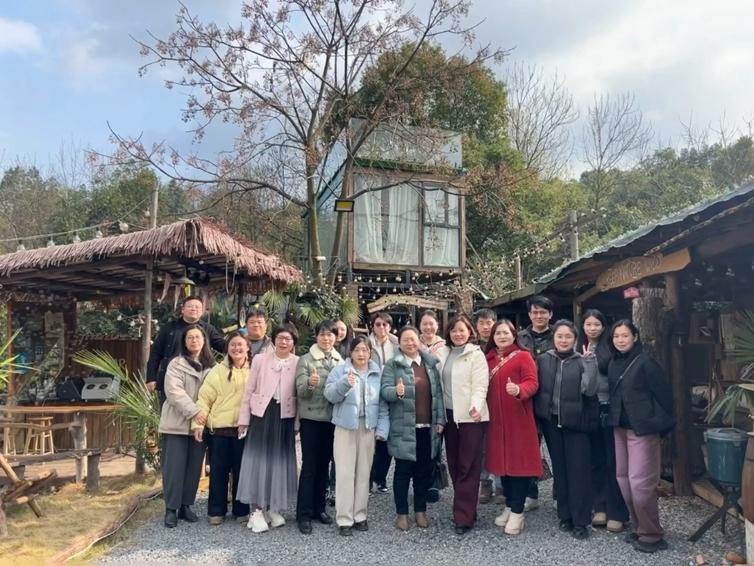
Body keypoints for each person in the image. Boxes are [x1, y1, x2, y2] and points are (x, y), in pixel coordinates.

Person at [607, 320, 674, 554]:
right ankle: (639, 527)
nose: (620, 340)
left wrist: (660, 426)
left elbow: (665, 396)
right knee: (623, 479)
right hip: (620, 428)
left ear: (635, 337)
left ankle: (652, 534)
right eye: (616, 336)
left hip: (643, 430)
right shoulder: (614, 363)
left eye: (625, 335)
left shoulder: (646, 362)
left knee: (640, 484)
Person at [534, 319, 599, 540]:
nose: (563, 340)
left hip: (576, 423)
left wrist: (590, 364)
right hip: (551, 422)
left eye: (568, 336)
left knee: (578, 471)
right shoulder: (544, 359)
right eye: (559, 336)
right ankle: (565, 515)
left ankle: (581, 520)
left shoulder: (583, 360)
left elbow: (590, 391)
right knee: (560, 470)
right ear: (554, 338)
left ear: (575, 339)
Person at [237, 324, 300, 533]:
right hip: (262, 414)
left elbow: (299, 395)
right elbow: (249, 390)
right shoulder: (260, 360)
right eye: (280, 338)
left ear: (293, 343)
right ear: (273, 340)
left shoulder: (298, 362)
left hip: (285, 416)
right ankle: (255, 510)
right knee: (258, 462)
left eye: (288, 339)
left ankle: (273, 507)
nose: (284, 342)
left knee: (278, 462)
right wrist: (244, 419)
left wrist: (297, 423)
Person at [381, 325, 445, 531]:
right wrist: (396, 391)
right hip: (403, 427)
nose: (410, 343)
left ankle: (420, 511)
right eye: (405, 340)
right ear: (399, 343)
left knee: (423, 472)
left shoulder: (430, 365)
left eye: (413, 339)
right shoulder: (393, 365)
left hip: (427, 427)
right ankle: (402, 513)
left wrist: (440, 420)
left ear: (419, 340)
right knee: (402, 472)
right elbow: (384, 392)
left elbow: (438, 395)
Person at [324, 335, 389, 536]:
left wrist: (382, 430)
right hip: (345, 427)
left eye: (365, 350)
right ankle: (344, 518)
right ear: (350, 352)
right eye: (357, 350)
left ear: (370, 353)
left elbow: (383, 405)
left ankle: (360, 515)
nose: (361, 354)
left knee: (363, 473)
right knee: (344, 473)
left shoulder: (377, 373)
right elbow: (329, 395)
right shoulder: (340, 371)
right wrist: (344, 383)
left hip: (368, 427)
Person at [484, 319, 541, 535]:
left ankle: (518, 511)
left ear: (514, 334)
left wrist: (519, 390)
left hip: (519, 420)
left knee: (518, 467)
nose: (502, 336)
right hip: (496, 422)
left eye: (506, 332)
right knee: (502, 466)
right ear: (493, 337)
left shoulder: (523, 356)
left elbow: (532, 382)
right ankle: (509, 505)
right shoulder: (488, 359)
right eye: (498, 333)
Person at [577, 309, 629, 534]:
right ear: (583, 326)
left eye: (596, 324)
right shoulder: (577, 347)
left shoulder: (611, 347)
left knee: (613, 461)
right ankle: (599, 507)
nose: (592, 328)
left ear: (603, 326)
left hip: (609, 409)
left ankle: (617, 511)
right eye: (588, 324)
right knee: (595, 460)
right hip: (588, 410)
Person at [158, 325, 216, 528]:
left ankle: (186, 505)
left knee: (193, 467)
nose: (194, 340)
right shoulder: (176, 363)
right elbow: (174, 392)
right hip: (176, 423)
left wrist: (202, 417)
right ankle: (171, 508)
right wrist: (195, 412)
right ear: (184, 342)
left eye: (198, 337)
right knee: (174, 467)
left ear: (204, 340)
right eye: (190, 337)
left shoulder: (212, 366)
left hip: (199, 426)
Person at [436, 314, 489, 535]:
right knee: (455, 464)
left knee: (469, 465)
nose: (458, 334)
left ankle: (463, 517)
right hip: (449, 416)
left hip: (470, 417)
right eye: (454, 330)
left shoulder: (475, 355)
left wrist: (476, 405)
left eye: (462, 330)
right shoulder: (443, 353)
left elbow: (480, 385)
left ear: (469, 332)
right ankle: (466, 508)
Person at [192, 332, 251, 525]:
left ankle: (242, 510)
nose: (236, 348)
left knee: (242, 471)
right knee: (218, 472)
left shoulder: (254, 371)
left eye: (240, 345)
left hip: (243, 430)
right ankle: (216, 510)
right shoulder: (216, 371)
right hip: (219, 431)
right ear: (227, 348)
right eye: (233, 345)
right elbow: (204, 399)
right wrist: (198, 423)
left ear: (247, 347)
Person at [295, 320, 344, 534]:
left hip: (331, 420)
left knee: (324, 465)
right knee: (309, 466)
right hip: (311, 419)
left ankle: (319, 508)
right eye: (323, 334)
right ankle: (304, 514)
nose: (326, 338)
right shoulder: (305, 360)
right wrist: (310, 384)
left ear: (336, 337)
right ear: (316, 336)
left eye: (330, 334)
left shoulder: (340, 361)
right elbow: (300, 391)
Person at [146, 296, 225, 404]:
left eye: (197, 307)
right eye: (190, 306)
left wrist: (240, 341)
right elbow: (156, 353)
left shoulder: (208, 329)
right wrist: (151, 378)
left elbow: (223, 347)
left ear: (202, 311)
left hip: (200, 381)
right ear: (182, 309)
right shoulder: (169, 328)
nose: (194, 309)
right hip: (171, 380)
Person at [517, 295, 555, 510]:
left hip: (553, 399)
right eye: (535, 312)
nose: (539, 315)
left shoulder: (560, 334)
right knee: (528, 448)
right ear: (529, 314)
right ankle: (530, 493)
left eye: (543, 312)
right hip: (527, 400)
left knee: (558, 449)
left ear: (550, 314)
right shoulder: (520, 338)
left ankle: (560, 495)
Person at [369, 311, 398, 493]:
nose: (381, 327)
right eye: (378, 324)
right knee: (370, 437)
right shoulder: (367, 344)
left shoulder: (397, 345)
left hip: (392, 392)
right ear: (372, 326)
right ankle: (368, 478)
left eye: (384, 324)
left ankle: (380, 477)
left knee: (386, 437)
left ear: (390, 327)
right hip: (371, 394)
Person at [474, 308, 498, 504]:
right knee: (481, 444)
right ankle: (485, 482)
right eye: (481, 323)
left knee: (500, 441)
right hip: (478, 401)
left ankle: (502, 483)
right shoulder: (472, 347)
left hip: (499, 399)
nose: (485, 327)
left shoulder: (501, 344)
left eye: (489, 323)